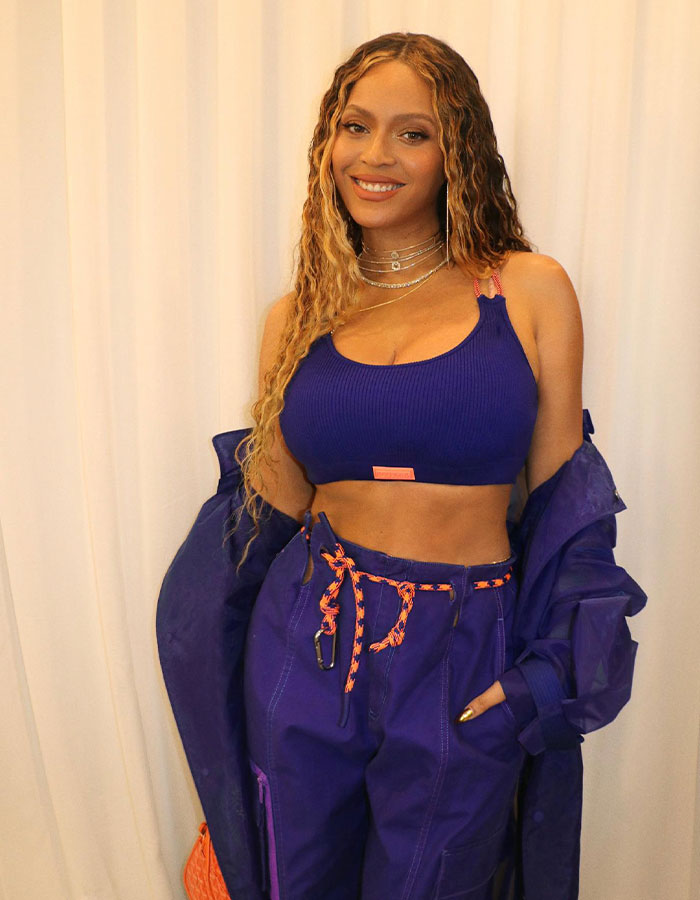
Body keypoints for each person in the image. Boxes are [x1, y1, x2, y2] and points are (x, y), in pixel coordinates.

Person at [156, 31, 646, 900]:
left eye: (412, 132)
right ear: (326, 144)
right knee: (294, 883)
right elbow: (262, 516)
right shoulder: (295, 317)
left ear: (458, 148)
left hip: (464, 655)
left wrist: (541, 673)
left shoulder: (527, 290)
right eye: (355, 126)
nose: (375, 155)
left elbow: (568, 504)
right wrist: (215, 686)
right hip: (307, 640)